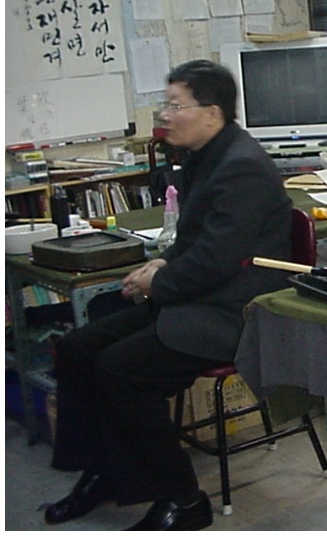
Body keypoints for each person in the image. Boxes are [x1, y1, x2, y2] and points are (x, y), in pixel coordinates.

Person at [44, 60, 293, 531]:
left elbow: (217, 260)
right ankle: (103, 472)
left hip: (236, 310)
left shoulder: (242, 167)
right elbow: (196, 239)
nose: (164, 114)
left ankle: (184, 500)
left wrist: (158, 283)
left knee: (121, 371)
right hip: (199, 295)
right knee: (78, 348)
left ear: (212, 113)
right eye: (166, 103)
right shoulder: (205, 155)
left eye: (175, 105)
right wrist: (161, 264)